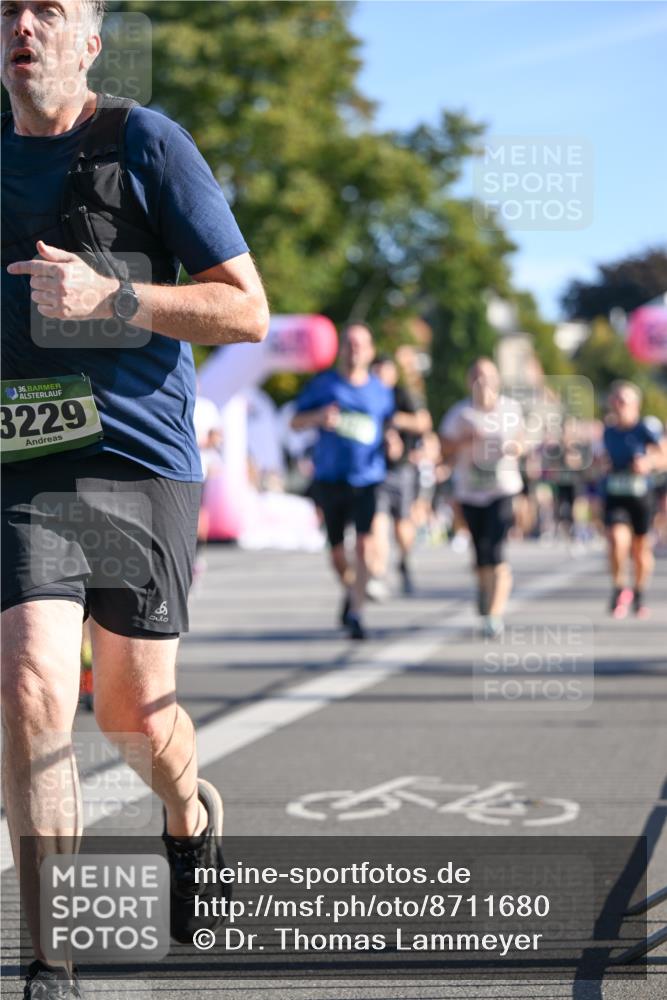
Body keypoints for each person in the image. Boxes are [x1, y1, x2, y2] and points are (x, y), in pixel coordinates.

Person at [1, 2, 269, 997]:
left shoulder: (144, 142)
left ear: (91, 39)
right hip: (25, 464)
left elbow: (246, 309)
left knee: (133, 718)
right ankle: (49, 961)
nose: (21, 26)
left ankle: (187, 814)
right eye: (6, 10)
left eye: (47, 10)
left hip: (140, 462)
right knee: (32, 684)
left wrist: (112, 297)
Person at [291, 323, 394, 640]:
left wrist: (393, 442)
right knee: (337, 554)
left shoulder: (381, 391)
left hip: (367, 478)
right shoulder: (324, 385)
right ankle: (352, 591)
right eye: (350, 344)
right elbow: (295, 422)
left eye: (361, 344)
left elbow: (388, 427)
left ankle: (357, 613)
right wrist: (319, 417)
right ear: (342, 350)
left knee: (364, 545)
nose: (355, 350)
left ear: (371, 351)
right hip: (330, 477)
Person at [439, 358, 524, 638]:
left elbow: (522, 442)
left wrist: (512, 446)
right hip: (470, 491)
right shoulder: (459, 413)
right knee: (481, 552)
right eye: (476, 376)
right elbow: (443, 447)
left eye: (487, 376)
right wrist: (465, 440)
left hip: (502, 488)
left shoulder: (510, 409)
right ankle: (484, 590)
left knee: (497, 550)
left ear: (497, 380)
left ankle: (494, 615)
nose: (482, 381)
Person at [368, 352, 432, 596]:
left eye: (384, 373)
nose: (380, 378)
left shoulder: (402, 395)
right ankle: (377, 574)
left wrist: (396, 421)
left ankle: (404, 561)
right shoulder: (368, 395)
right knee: (378, 523)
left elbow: (423, 422)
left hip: (403, 470)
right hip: (376, 469)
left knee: (403, 527)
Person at [600, 382, 665, 619]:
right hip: (616, 495)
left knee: (640, 550)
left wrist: (647, 463)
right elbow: (601, 458)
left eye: (623, 401)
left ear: (635, 405)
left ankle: (639, 592)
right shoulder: (608, 431)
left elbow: (664, 455)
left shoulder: (646, 428)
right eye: (615, 400)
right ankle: (619, 588)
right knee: (617, 540)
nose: (618, 406)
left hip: (641, 496)